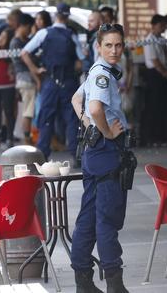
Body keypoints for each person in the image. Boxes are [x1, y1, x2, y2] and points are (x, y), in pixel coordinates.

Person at [70, 23, 129, 293]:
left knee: (90, 216)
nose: (114, 50)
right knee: (106, 219)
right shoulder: (102, 74)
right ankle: (115, 285)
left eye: (118, 45)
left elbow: (76, 100)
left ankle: (83, 280)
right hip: (105, 151)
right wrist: (106, 131)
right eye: (109, 45)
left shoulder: (96, 70)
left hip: (95, 151)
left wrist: (90, 126)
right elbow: (94, 107)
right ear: (98, 46)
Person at [21, 3, 82, 160]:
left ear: (56, 16)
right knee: (72, 119)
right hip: (69, 82)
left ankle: (42, 155)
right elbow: (81, 61)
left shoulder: (44, 33)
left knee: (46, 119)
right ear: (67, 17)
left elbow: (24, 53)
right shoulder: (71, 35)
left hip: (50, 81)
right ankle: (76, 155)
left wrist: (35, 69)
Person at [141, 14, 167, 146]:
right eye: (161, 26)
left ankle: (164, 137)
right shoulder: (149, 40)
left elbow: (165, 58)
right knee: (155, 107)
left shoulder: (162, 39)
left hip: (163, 73)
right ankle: (154, 138)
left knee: (164, 107)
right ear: (153, 26)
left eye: (164, 26)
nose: (163, 28)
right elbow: (155, 61)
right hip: (155, 75)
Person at [11, 14, 38, 145]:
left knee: (28, 110)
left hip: (23, 79)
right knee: (28, 111)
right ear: (24, 26)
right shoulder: (17, 42)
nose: (29, 31)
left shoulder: (19, 41)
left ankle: (28, 137)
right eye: (29, 28)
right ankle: (27, 139)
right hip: (26, 80)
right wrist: (37, 79)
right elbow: (27, 63)